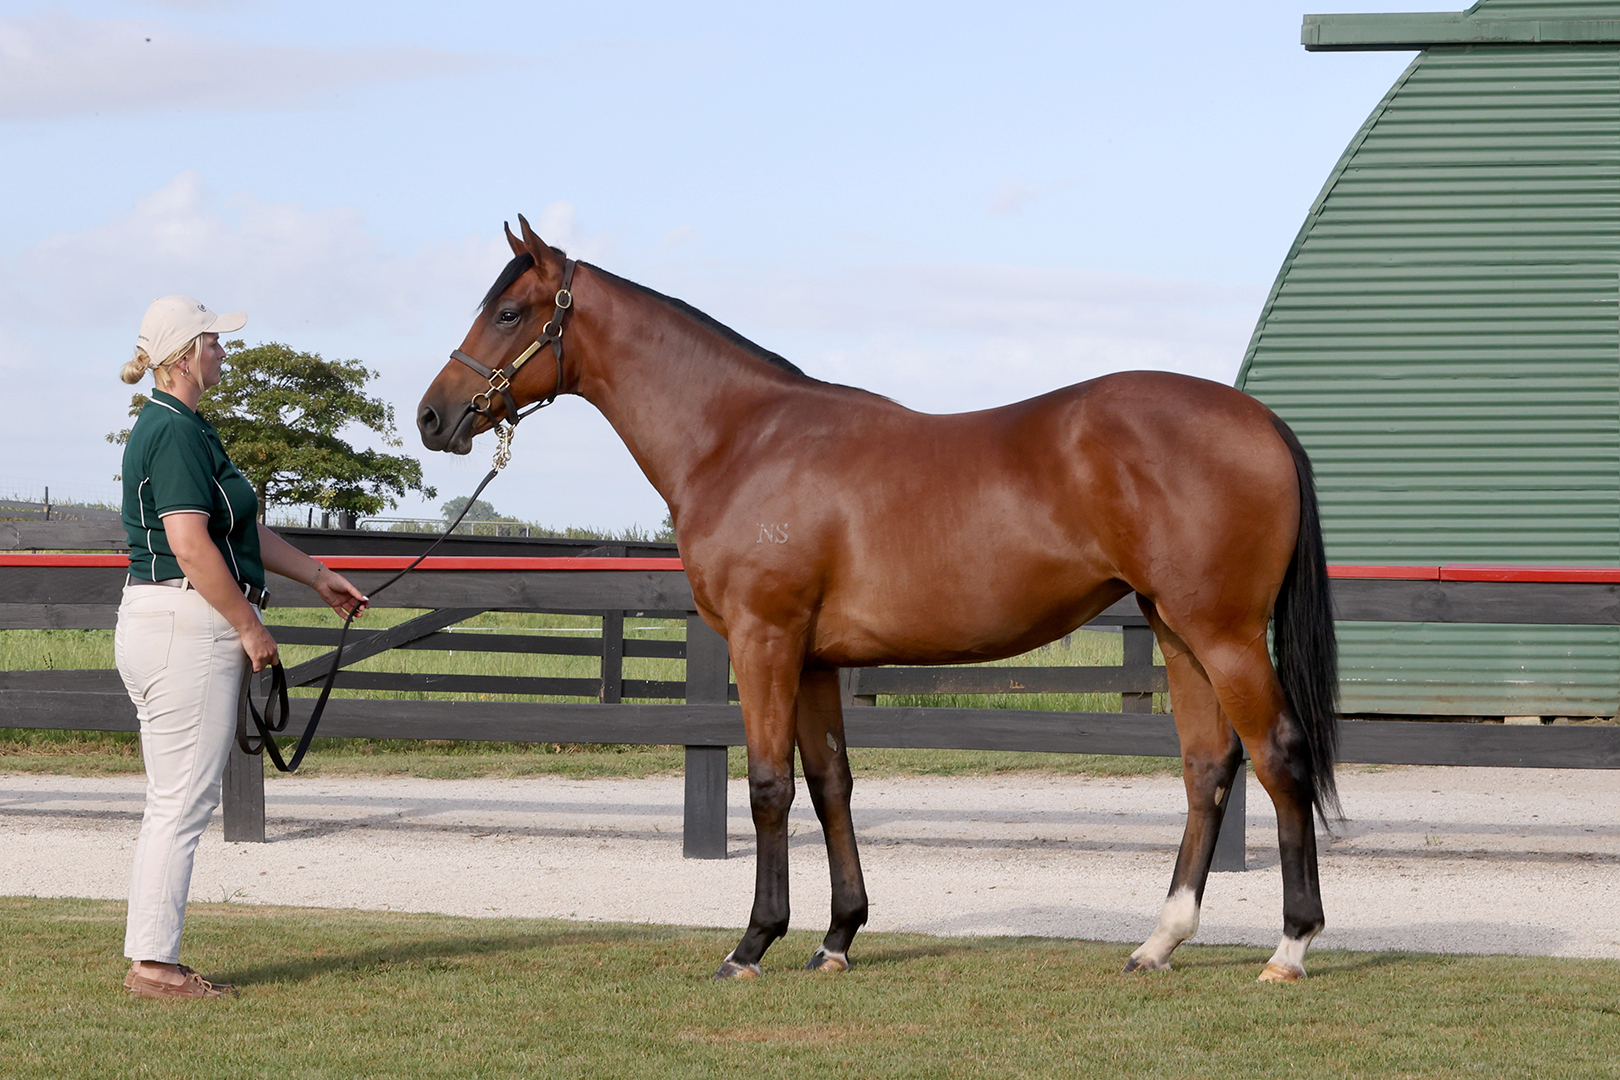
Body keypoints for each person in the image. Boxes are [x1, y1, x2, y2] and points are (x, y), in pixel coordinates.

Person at [114, 296, 369, 999]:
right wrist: (248, 627)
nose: (223, 353)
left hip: (168, 619)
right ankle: (155, 968)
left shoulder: (184, 426)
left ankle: (151, 959)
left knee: (172, 799)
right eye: (214, 343)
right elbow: (191, 545)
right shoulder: (174, 431)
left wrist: (317, 575)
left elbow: (240, 532)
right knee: (182, 803)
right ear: (185, 355)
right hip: (185, 621)